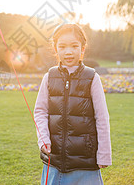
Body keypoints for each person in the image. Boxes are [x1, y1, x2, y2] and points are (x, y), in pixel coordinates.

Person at [34, 23, 112, 185]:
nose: (68, 51)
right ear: (56, 49)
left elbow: (102, 117)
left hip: (85, 160)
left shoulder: (92, 77)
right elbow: (40, 111)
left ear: (82, 49)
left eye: (74, 46)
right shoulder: (49, 76)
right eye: (62, 46)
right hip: (54, 159)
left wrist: (104, 153)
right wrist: (43, 140)